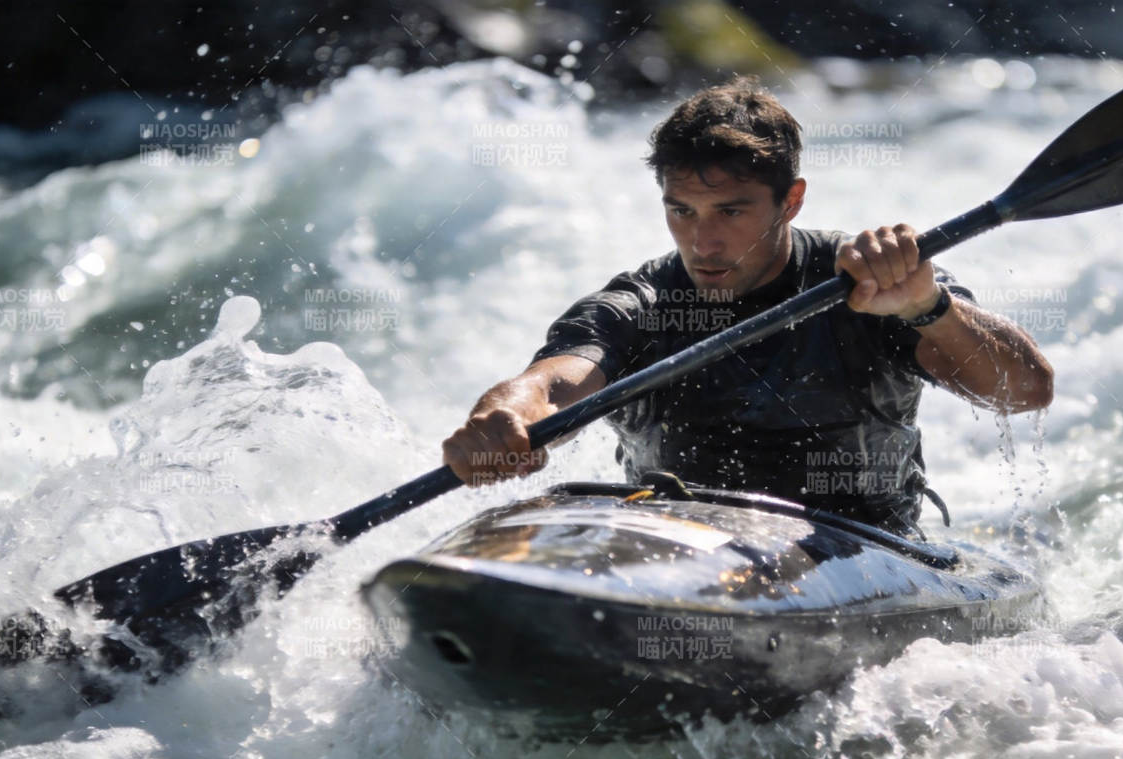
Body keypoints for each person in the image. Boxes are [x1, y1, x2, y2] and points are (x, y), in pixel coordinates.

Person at [442, 75, 1053, 533]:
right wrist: (505, 419)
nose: (702, 241)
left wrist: (927, 307)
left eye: (731, 211)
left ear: (791, 201)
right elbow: (552, 384)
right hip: (672, 546)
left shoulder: (874, 281)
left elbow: (1027, 391)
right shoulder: (641, 303)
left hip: (862, 548)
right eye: (681, 210)